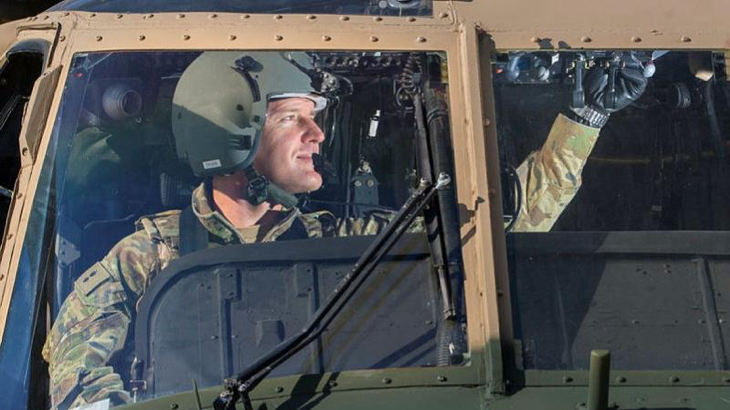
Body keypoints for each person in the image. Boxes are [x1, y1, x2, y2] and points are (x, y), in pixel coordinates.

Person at [42, 51, 646, 409]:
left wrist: (584, 119)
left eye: (315, 117)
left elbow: (500, 227)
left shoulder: (353, 236)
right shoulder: (147, 256)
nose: (317, 135)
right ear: (232, 131)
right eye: (292, 119)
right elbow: (78, 375)